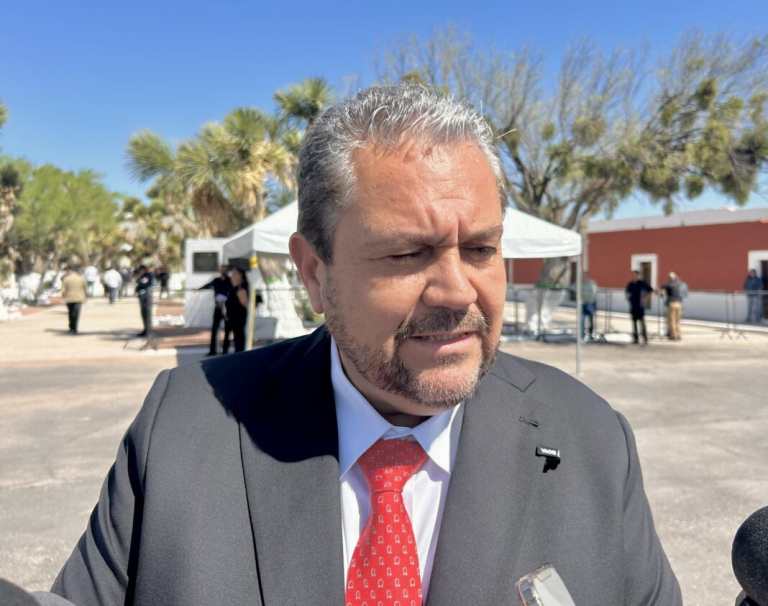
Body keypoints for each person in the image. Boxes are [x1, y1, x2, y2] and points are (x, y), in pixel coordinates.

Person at [50, 85, 681, 606]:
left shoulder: (591, 437)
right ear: (314, 273)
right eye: (405, 254)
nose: (457, 291)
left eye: (481, 249)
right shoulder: (185, 426)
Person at [199, 265, 231, 356]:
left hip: (227, 307)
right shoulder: (216, 280)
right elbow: (208, 285)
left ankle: (225, 350)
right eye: (221, 269)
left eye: (224, 269)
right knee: (214, 328)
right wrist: (198, 289)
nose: (222, 271)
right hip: (218, 307)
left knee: (227, 329)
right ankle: (212, 350)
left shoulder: (229, 281)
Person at [223, 267, 249, 353]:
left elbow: (245, 303)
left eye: (234, 274)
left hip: (239, 317)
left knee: (239, 335)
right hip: (232, 316)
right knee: (236, 335)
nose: (232, 276)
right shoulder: (233, 287)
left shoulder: (241, 288)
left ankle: (240, 352)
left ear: (240, 275)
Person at [626, 270, 654, 344]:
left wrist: (646, 298)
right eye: (632, 275)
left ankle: (645, 338)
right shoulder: (630, 284)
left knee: (642, 322)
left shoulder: (642, 283)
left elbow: (651, 290)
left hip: (640, 306)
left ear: (638, 276)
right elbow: (627, 292)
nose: (633, 276)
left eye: (635, 275)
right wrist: (628, 297)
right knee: (634, 322)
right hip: (633, 305)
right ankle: (636, 338)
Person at [60, 266, 86, 335]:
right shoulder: (81, 278)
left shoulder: (66, 279)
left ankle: (71, 327)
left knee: (70, 313)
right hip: (79, 298)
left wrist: (64, 295)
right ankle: (75, 328)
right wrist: (85, 296)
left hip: (69, 298)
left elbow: (63, 289)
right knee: (76, 313)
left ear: (70, 271)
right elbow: (85, 287)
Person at [659, 271, 684, 340]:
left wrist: (660, 292)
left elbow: (662, 293)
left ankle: (673, 336)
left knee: (671, 320)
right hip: (679, 303)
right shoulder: (679, 284)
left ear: (669, 278)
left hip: (672, 303)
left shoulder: (667, 285)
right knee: (677, 320)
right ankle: (678, 334)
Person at [579, 270, 598, 342]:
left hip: (590, 303)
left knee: (591, 320)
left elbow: (593, 293)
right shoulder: (580, 283)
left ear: (586, 276)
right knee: (582, 320)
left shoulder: (591, 283)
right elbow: (573, 287)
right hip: (583, 303)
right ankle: (582, 336)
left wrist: (585, 296)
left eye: (583, 276)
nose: (582, 277)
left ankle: (591, 335)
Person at [135, 265, 152, 338]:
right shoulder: (144, 276)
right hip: (142, 298)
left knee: (146, 314)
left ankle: (147, 331)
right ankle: (145, 329)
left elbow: (143, 284)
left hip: (145, 298)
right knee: (143, 314)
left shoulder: (147, 276)